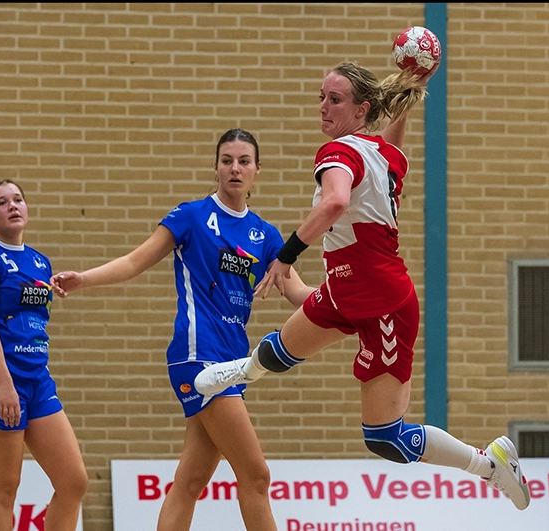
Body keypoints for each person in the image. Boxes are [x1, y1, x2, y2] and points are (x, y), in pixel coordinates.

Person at [194, 61, 532, 511]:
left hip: (382, 302)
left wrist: (286, 255)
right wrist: (413, 84)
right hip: (344, 289)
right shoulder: (383, 153)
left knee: (385, 438)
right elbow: (388, 144)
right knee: (280, 351)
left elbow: (335, 201)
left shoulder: (337, 152)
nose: (323, 107)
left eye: (334, 99)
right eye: (321, 97)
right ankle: (240, 373)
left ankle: (489, 464)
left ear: (362, 110)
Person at [50, 128, 313, 531]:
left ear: (257, 170)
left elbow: (299, 294)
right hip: (196, 356)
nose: (235, 168)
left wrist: (347, 296)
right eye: (227, 161)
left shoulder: (265, 235)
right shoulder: (192, 217)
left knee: (190, 481)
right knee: (256, 475)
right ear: (216, 168)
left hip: (233, 364)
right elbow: (135, 261)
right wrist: (83, 279)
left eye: (244, 161)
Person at [0, 179, 88, 531]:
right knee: (4, 489)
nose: (13, 206)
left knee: (74, 482)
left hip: (37, 380)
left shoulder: (39, 261)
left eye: (18, 199)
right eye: (2, 202)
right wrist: (5, 385)